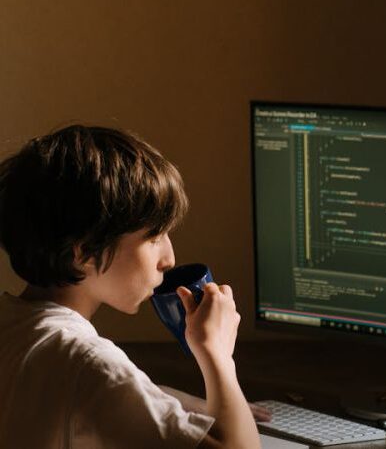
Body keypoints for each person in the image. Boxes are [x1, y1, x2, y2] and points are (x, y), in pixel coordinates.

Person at [0, 125, 269, 448]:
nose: (169, 259)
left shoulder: (18, 330)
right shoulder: (88, 362)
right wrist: (218, 356)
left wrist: (167, 399)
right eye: (154, 238)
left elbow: (73, 386)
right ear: (85, 253)